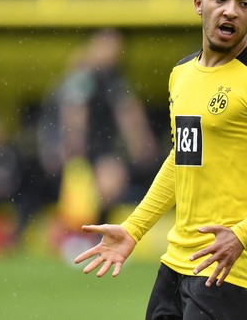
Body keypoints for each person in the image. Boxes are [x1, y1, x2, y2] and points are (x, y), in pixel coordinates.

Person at [74, 0, 247, 320]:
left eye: (244, 2)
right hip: (177, 261)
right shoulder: (181, 74)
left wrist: (241, 235)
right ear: (199, 5)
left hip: (233, 270)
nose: (231, 10)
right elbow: (181, 159)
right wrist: (134, 229)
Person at [38, 28, 159, 259]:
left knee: (106, 186)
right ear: (95, 44)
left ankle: (91, 239)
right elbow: (74, 112)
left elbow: (128, 111)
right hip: (75, 147)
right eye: (108, 45)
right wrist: (72, 148)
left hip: (99, 145)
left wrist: (140, 141)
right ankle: (76, 239)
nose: (114, 52)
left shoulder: (112, 76)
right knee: (82, 195)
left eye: (116, 47)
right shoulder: (82, 74)